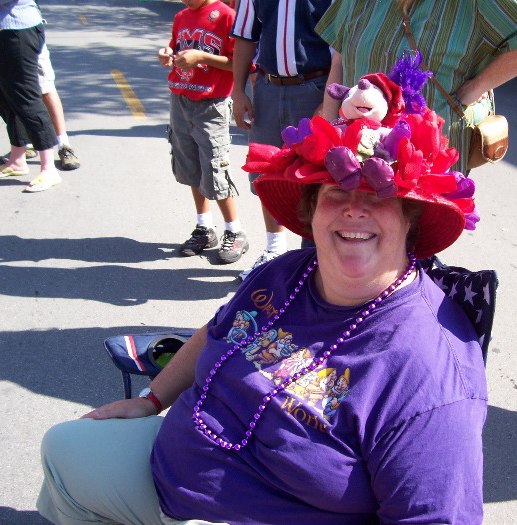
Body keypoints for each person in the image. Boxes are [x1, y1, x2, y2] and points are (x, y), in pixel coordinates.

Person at [37, 86, 488, 524]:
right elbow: (216, 332)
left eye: (378, 196)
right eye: (335, 192)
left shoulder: (432, 371)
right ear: (311, 212)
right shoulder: (285, 273)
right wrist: (152, 401)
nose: (355, 209)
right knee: (64, 447)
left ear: (411, 217)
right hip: (174, 469)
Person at [316, 0, 517, 175]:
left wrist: (477, 87)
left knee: (414, 235)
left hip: (427, 154)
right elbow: (339, 60)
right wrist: (327, 133)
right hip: (353, 145)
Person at [231, 0, 332, 280]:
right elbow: (244, 37)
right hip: (267, 89)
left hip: (314, 88)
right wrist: (238, 92)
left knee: (312, 176)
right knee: (267, 173)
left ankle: (312, 260)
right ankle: (274, 251)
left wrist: (328, 101)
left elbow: (343, 47)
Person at [157, 0, 248, 263]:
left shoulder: (227, 17)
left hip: (211, 105)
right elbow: (175, 48)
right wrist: (166, 54)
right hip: (180, 101)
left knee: (214, 168)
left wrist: (203, 57)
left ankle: (235, 230)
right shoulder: (182, 16)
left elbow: (239, 62)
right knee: (191, 166)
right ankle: (204, 228)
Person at [0, 0, 61, 192]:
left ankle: (49, 169)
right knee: (4, 98)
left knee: (26, 99)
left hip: (16, 30)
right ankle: (17, 160)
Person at [2, 43, 82, 170]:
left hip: (26, 34)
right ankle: (25, 145)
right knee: (12, 92)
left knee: (46, 88)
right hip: (0, 41)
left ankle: (64, 146)